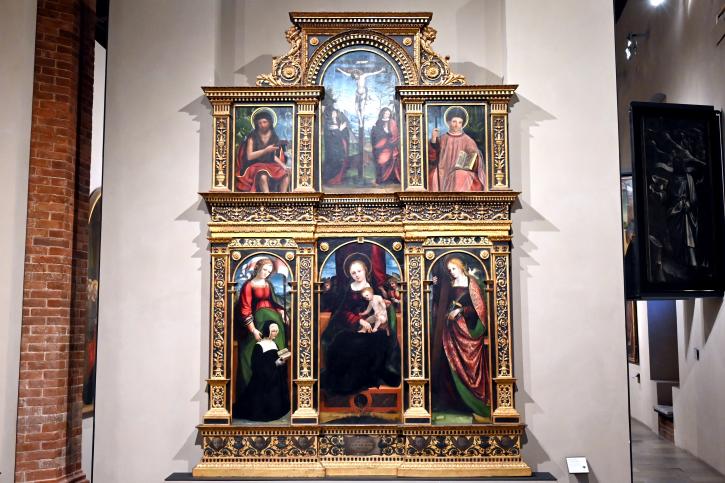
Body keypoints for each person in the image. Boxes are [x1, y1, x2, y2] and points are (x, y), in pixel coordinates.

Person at [320, 259, 400, 396]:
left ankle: (365, 378)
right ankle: (347, 383)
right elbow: (342, 311)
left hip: (374, 326)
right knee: (342, 341)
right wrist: (359, 321)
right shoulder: (348, 289)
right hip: (352, 326)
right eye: (353, 273)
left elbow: (381, 307)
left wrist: (385, 309)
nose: (357, 275)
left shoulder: (374, 287)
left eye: (359, 271)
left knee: (375, 342)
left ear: (365, 271)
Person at [430, 257, 490, 420]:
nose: (451, 272)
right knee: (447, 364)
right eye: (449, 270)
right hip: (450, 331)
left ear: (461, 267)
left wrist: (461, 311)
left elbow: (480, 310)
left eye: (454, 268)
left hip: (467, 331)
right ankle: (452, 403)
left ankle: (470, 403)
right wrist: (435, 285)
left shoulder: (472, 284)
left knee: (465, 366)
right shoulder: (449, 285)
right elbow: (440, 303)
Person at [234, 258, 287, 411]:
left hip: (273, 318)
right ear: (257, 268)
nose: (266, 273)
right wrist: (253, 330)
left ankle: (279, 365)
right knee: (249, 353)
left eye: (269, 271)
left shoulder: (268, 284)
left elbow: (273, 301)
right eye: (264, 270)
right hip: (257, 319)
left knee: (279, 338)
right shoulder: (248, 285)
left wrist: (281, 311)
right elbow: (245, 309)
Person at [236, 322, 290, 421]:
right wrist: (275, 364)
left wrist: (282, 360)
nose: (276, 333)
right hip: (263, 381)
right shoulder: (259, 346)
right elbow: (256, 366)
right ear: (267, 331)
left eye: (276, 331)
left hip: (274, 378)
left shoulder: (274, 344)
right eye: (273, 331)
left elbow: (276, 358)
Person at [428, 107, 487, 192]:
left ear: (462, 124)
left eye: (460, 122)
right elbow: (433, 157)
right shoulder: (442, 138)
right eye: (454, 121)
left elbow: (475, 160)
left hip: (461, 170)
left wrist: (471, 161)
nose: (457, 125)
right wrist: (434, 139)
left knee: (459, 174)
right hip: (443, 169)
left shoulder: (468, 140)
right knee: (433, 176)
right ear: (448, 122)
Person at [236, 109, 290, 192]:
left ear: (270, 122)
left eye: (265, 122)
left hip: (269, 165)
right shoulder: (252, 137)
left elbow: (273, 156)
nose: (262, 125)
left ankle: (283, 198)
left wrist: (284, 166)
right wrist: (265, 150)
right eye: (260, 123)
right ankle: (267, 199)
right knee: (263, 176)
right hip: (254, 166)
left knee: (285, 175)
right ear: (256, 124)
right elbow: (249, 156)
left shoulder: (273, 136)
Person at [370, 107, 400, 185]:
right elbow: (375, 135)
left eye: (388, 114)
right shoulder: (378, 122)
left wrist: (390, 142)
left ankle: (388, 179)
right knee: (379, 162)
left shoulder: (392, 122)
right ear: (382, 113)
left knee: (384, 161)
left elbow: (395, 135)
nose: (387, 115)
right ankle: (380, 179)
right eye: (385, 113)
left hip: (390, 146)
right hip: (380, 146)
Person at [323, 105, 351, 185]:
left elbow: (344, 133)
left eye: (335, 113)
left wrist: (343, 129)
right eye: (333, 113)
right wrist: (340, 129)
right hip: (333, 147)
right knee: (335, 161)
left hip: (340, 145)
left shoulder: (339, 121)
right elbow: (332, 135)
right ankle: (332, 180)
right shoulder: (329, 123)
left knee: (342, 160)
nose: (334, 114)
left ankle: (339, 178)